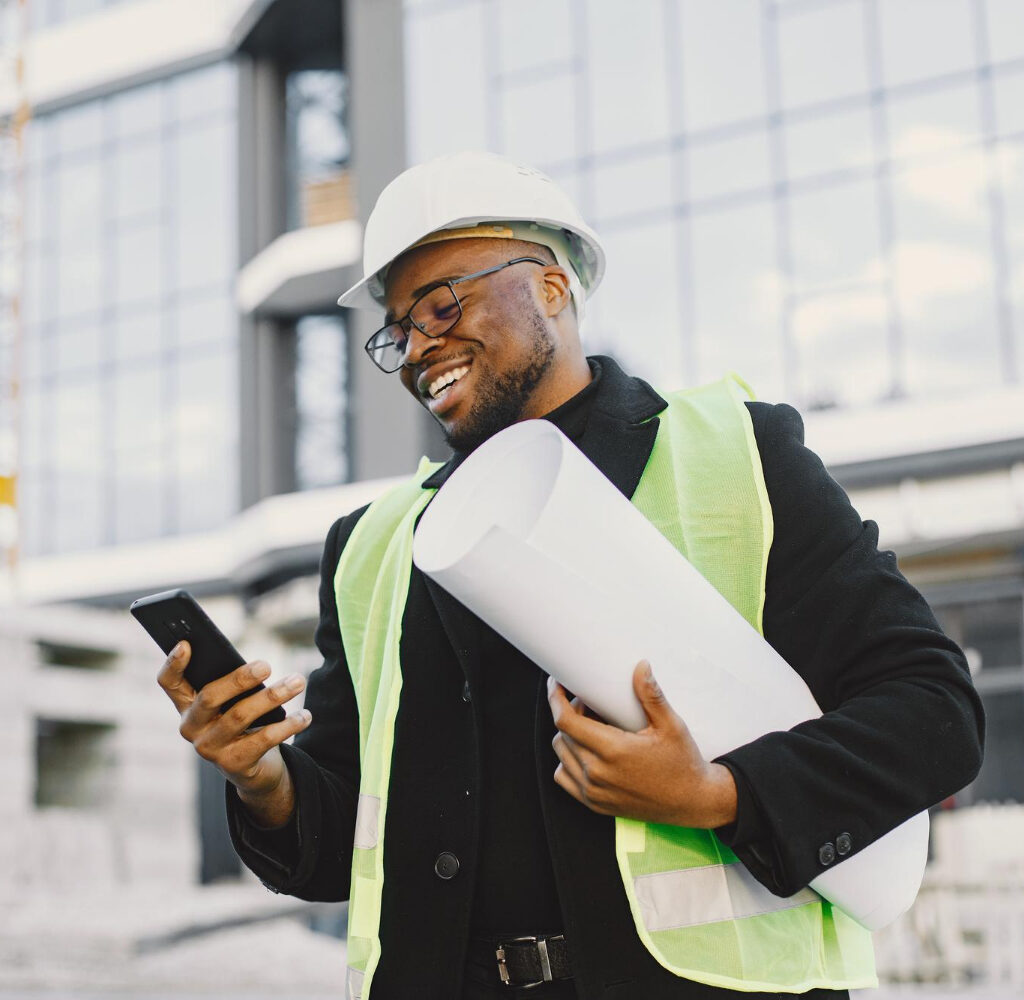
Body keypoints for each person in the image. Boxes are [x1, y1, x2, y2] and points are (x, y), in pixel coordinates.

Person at [157, 151, 984, 999]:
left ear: (552, 287)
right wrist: (261, 777)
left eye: (442, 303)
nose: (417, 346)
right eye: (396, 329)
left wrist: (718, 793)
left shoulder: (736, 455)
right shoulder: (372, 546)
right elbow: (339, 849)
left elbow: (934, 712)